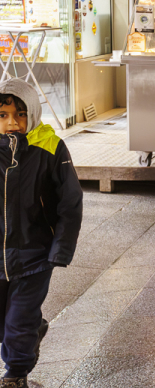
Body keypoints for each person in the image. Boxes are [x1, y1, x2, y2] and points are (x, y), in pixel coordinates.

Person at [0, 79, 82, 388]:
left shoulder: (50, 147)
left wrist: (60, 248)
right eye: (4, 115)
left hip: (34, 257)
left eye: (20, 114)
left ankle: (15, 374)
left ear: (32, 113)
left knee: (17, 323)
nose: (12, 123)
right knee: (5, 326)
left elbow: (70, 201)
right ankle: (33, 328)